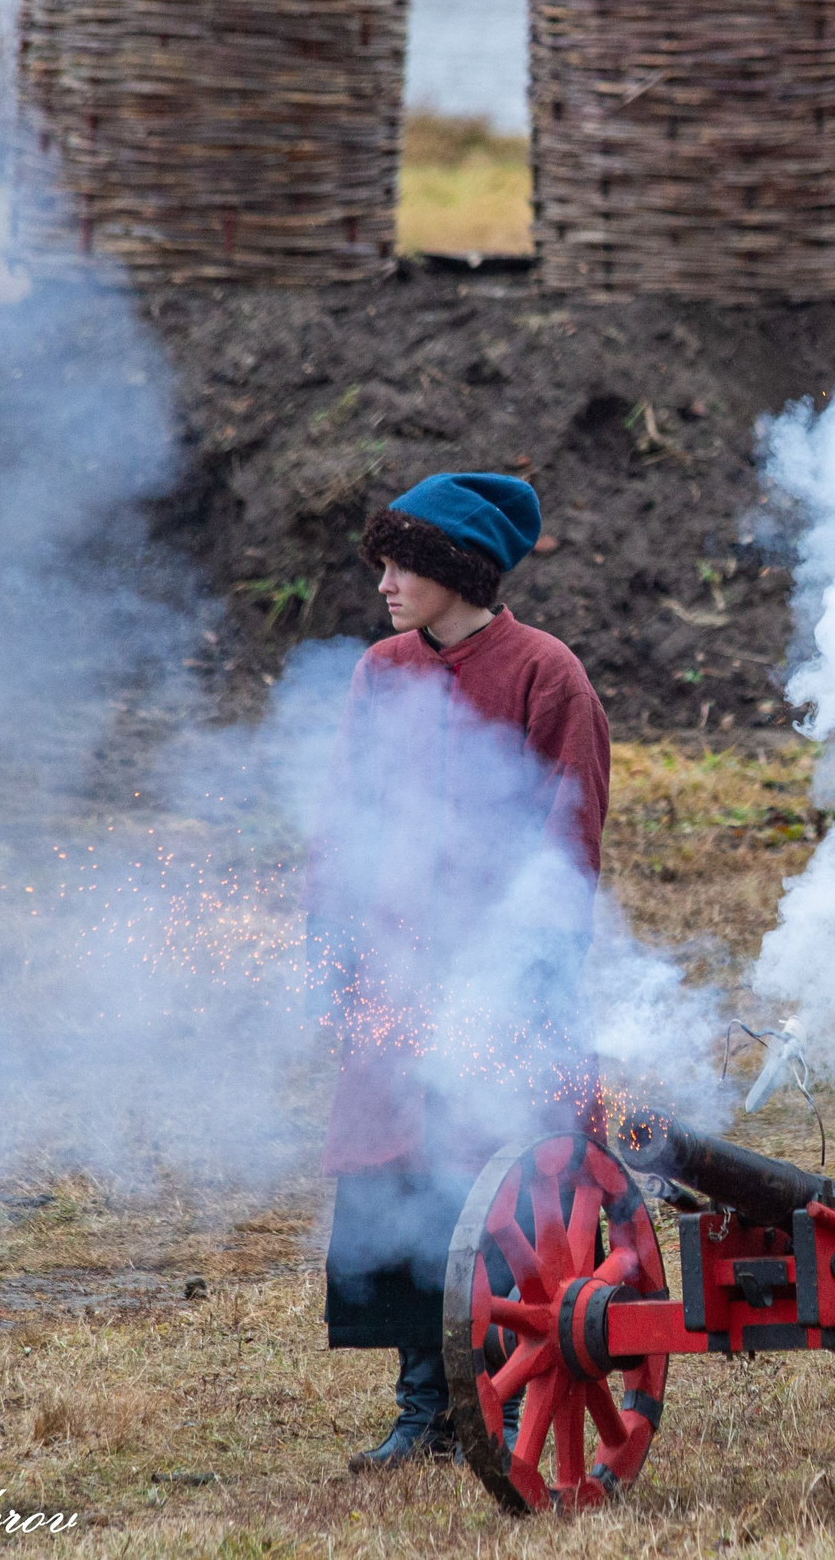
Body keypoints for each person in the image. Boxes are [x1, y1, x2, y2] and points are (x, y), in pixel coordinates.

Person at [308, 471, 611, 1471]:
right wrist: (333, 941)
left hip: (502, 979)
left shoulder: (547, 673)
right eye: (383, 565)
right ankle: (421, 1402)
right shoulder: (379, 670)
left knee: (495, 1182)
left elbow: (567, 839)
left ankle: (506, 1382)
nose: (385, 582)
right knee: (398, 1176)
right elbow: (345, 820)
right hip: (398, 973)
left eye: (401, 563)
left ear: (453, 568)